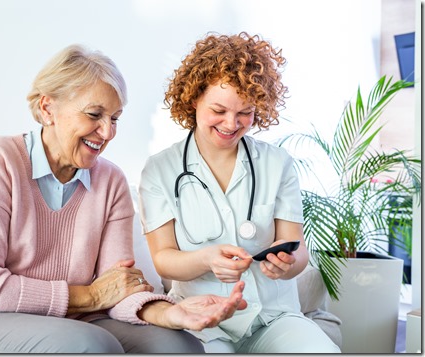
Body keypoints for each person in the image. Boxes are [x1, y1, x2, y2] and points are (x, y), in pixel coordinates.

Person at [0, 44, 248, 354]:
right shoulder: (0, 159)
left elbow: (116, 287)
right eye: (94, 114)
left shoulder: (111, 182)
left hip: (72, 324)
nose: (107, 132)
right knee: (93, 345)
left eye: (115, 118)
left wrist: (169, 314)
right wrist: (89, 295)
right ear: (48, 108)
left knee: (179, 346)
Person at [137, 32, 341, 353]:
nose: (232, 124)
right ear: (193, 100)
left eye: (245, 112)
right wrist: (206, 259)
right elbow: (163, 259)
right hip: (203, 320)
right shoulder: (159, 169)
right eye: (218, 109)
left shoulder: (277, 163)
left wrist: (288, 262)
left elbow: (298, 249)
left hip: (274, 319)